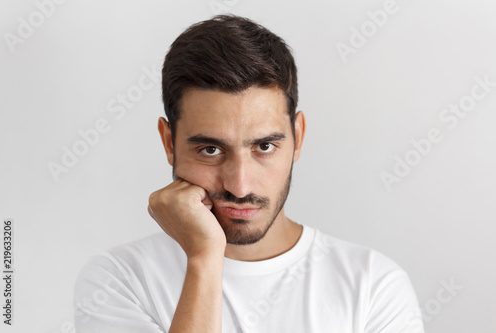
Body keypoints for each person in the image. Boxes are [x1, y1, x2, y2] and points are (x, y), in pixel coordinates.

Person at [73, 14, 425, 333]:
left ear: (297, 137)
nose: (239, 186)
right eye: (210, 150)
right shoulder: (118, 281)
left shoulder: (374, 287)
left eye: (264, 147)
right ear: (169, 142)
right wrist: (204, 259)